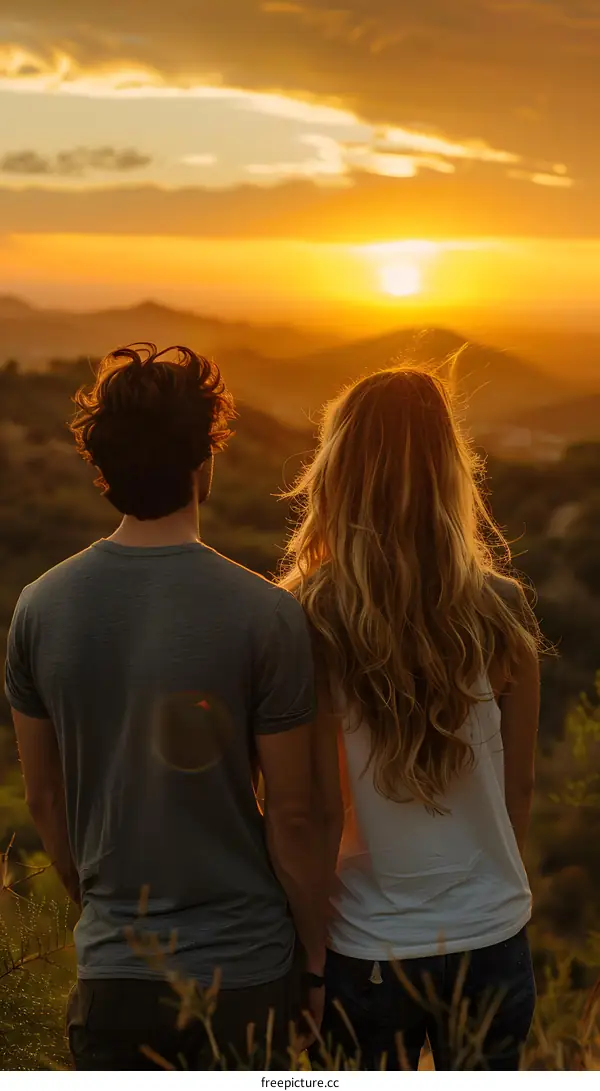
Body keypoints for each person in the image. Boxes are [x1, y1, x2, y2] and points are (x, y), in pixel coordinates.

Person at [4, 343, 339, 1070]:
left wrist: (103, 909)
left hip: (113, 978)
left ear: (104, 468)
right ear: (204, 461)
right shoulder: (266, 614)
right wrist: (314, 962)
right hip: (245, 974)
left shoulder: (38, 608)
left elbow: (45, 797)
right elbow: (294, 815)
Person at [280, 365, 541, 1071]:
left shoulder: (308, 615)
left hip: (365, 944)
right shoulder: (502, 607)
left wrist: (308, 958)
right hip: (492, 939)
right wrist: (489, 895)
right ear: (449, 471)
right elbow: (518, 789)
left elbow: (310, 810)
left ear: (336, 471)